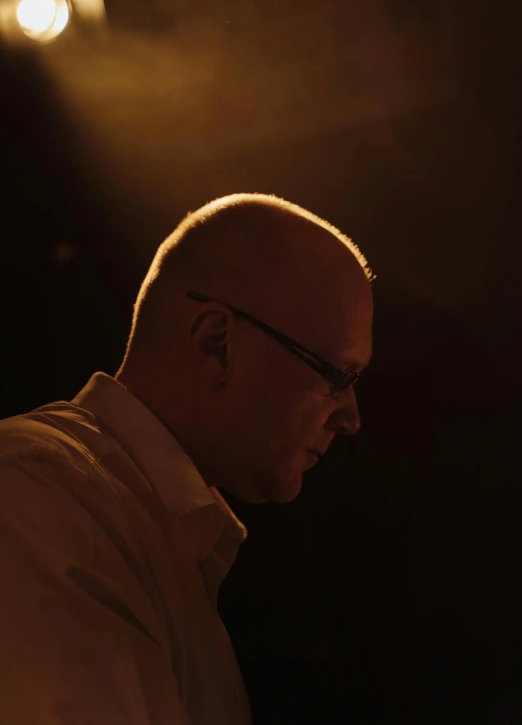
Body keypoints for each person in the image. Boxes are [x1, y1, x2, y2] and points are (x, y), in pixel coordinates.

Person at [0, 192, 374, 724]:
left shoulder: (133, 528)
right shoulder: (39, 498)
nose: (351, 417)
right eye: (336, 376)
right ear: (215, 343)